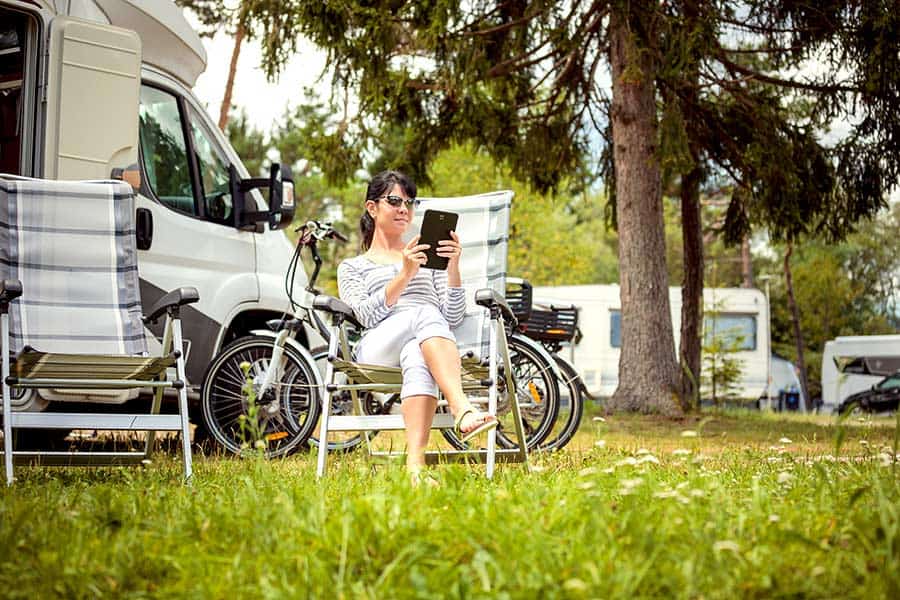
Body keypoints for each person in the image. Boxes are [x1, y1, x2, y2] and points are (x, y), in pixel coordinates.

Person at [337, 170, 498, 480]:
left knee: (416, 351)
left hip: (425, 342)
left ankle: (415, 467)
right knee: (423, 313)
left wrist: (452, 269)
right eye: (395, 201)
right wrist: (405, 274)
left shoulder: (428, 258)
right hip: (376, 351)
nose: (403, 209)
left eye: (409, 203)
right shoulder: (353, 267)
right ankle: (460, 405)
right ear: (372, 207)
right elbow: (365, 317)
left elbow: (451, 319)